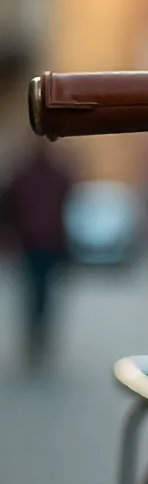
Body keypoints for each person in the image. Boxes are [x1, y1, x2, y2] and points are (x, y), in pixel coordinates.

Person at [0, 141, 75, 367]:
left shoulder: (28, 176)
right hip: (35, 242)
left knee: (39, 291)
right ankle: (37, 335)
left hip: (43, 242)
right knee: (38, 290)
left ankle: (37, 335)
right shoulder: (43, 176)